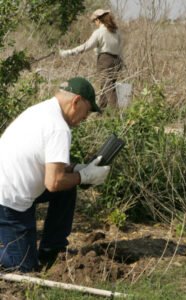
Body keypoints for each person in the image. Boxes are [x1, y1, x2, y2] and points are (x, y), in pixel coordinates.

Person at [0, 77, 111, 272]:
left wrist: (79, 169)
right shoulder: (59, 128)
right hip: (9, 203)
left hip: (10, 189)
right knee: (24, 267)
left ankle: (52, 250)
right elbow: (54, 182)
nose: (86, 117)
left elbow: (51, 167)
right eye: (87, 110)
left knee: (67, 189)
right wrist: (86, 177)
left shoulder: (41, 110)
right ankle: (30, 256)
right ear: (76, 101)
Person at [59, 9, 123, 109]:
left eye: (94, 21)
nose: (95, 23)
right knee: (107, 86)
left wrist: (69, 52)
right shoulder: (116, 32)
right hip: (117, 60)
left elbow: (86, 46)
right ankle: (100, 112)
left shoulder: (99, 32)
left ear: (98, 20)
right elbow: (120, 49)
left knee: (107, 86)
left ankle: (118, 114)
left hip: (105, 60)